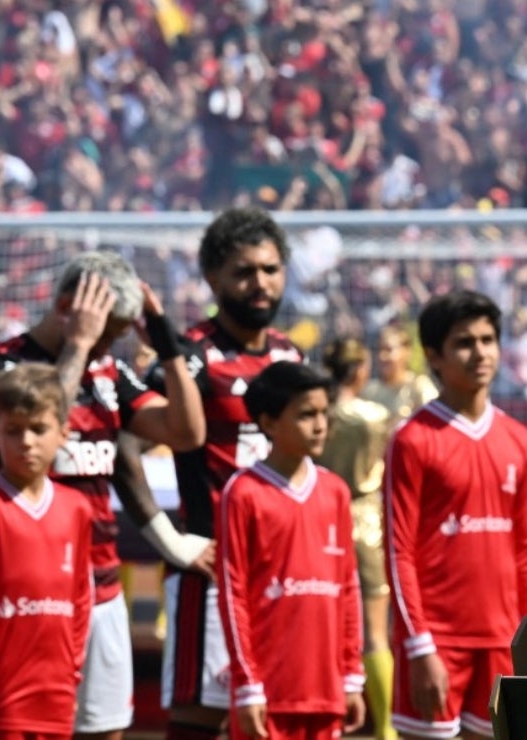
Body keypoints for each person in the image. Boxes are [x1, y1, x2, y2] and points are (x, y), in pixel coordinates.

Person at [0, 252, 207, 740]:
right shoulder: (1, 364)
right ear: (66, 309)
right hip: (30, 593)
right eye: (105, 333)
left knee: (104, 729)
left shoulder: (108, 371)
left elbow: (186, 433)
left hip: (101, 586)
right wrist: (78, 344)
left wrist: (165, 343)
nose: (108, 345)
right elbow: (45, 422)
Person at [152, 207, 303, 739]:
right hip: (213, 575)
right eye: (244, 272)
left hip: (283, 573)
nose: (260, 283)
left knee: (277, 717)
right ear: (213, 278)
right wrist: (171, 541)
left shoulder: (290, 356)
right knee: (201, 723)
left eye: (270, 269)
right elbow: (122, 445)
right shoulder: (189, 358)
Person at [384, 290, 527, 739]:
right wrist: (419, 647)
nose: (480, 353)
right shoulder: (412, 440)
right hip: (437, 642)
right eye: (464, 342)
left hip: (502, 641)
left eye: (488, 339)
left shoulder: (517, 439)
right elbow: (399, 552)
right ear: (433, 355)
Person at [216, 361, 365, 740]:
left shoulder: (335, 492)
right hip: (268, 694)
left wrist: (351, 676)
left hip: (326, 692)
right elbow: (233, 594)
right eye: (306, 415)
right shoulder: (244, 492)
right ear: (268, 423)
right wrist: (247, 684)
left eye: (324, 414)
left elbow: (348, 589)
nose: (320, 425)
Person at [0, 363, 94, 739]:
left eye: (38, 429)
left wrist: (71, 675)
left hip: (55, 698)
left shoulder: (77, 508)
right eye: (13, 430)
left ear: (63, 432)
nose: (26, 441)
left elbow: (82, 599)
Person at [318, 337, 395, 740]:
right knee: (375, 632)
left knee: (323, 624)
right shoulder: (376, 416)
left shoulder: (317, 416)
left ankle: (326, 717)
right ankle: (385, 728)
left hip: (322, 519)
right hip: (367, 523)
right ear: (361, 370)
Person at [362, 324, 438, 423]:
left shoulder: (419, 387)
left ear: (406, 352)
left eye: (388, 350)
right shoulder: (370, 391)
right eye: (379, 350)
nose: (382, 356)